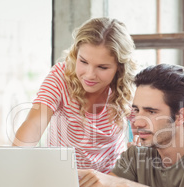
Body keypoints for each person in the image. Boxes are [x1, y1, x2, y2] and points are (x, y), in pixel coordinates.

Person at [12, 18, 136, 174]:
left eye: (102, 67)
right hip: (61, 178)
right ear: (75, 54)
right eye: (83, 61)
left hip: (109, 183)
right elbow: (35, 123)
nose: (90, 75)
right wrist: (13, 165)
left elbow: (145, 138)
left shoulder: (130, 88)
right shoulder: (60, 77)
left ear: (120, 68)